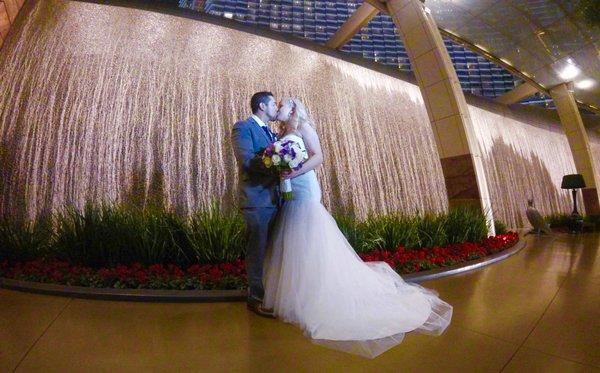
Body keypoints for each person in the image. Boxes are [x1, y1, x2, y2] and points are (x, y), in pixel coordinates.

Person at [262, 97, 453, 358]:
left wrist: (293, 172)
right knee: (293, 234)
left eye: (282, 104)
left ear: (293, 109)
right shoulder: (281, 133)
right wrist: (281, 169)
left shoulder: (304, 127)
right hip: (291, 187)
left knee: (309, 231)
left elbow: (319, 157)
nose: (279, 107)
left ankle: (320, 291)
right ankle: (301, 294)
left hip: (304, 185)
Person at [231, 91, 280, 318]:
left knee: (271, 250)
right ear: (262, 106)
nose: (275, 107)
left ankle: (272, 294)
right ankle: (256, 298)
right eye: (272, 103)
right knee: (257, 250)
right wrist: (279, 163)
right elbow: (247, 160)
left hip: (275, 199)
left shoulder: (272, 133)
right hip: (256, 200)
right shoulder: (243, 127)